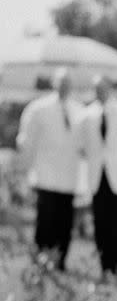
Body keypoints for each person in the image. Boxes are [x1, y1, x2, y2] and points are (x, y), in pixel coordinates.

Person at [16, 68, 83, 269]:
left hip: (69, 177)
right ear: (54, 83)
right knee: (46, 221)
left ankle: (60, 259)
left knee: (64, 222)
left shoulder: (78, 110)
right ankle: (41, 259)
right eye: (61, 82)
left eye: (67, 82)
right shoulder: (38, 108)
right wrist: (26, 170)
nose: (64, 86)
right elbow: (26, 141)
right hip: (46, 175)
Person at [79, 76, 117, 280]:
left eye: (103, 88)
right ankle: (108, 266)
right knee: (102, 225)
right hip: (98, 178)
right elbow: (85, 148)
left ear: (110, 88)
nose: (100, 92)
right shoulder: (87, 115)